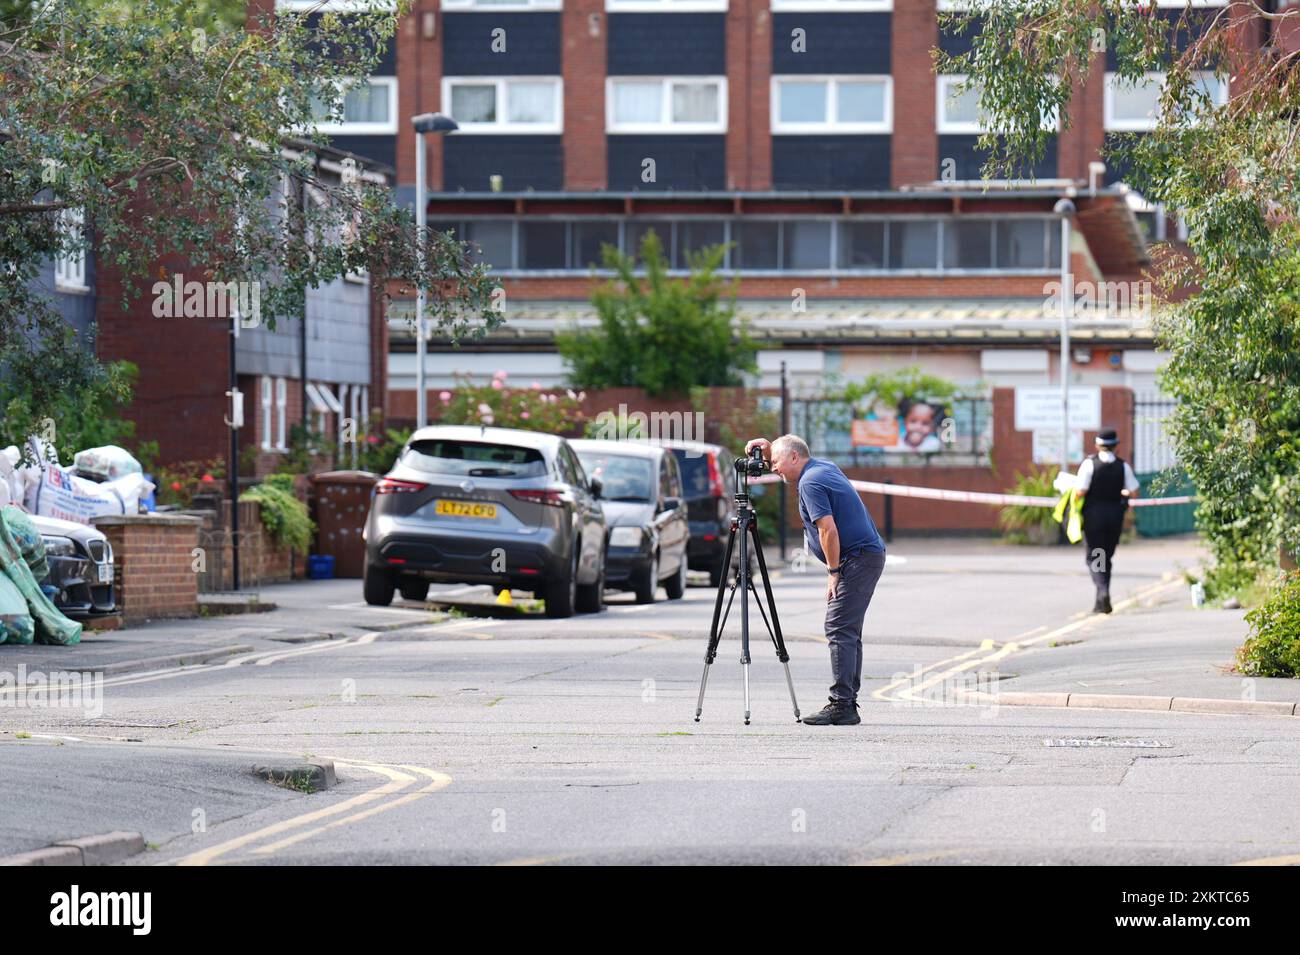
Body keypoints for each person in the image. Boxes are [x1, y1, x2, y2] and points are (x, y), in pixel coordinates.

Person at [745, 434, 886, 726]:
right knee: (847, 629)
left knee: (838, 626)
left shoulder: (810, 482)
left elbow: (828, 531)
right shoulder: (822, 467)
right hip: (864, 556)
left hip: (857, 559)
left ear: (794, 458)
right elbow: (791, 451)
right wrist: (772, 448)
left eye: (775, 462)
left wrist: (833, 573)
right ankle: (846, 702)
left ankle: (842, 705)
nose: (773, 468)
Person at [1074, 428, 1140, 614]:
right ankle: (1101, 601)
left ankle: (1102, 592)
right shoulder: (1123, 466)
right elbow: (1134, 491)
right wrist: (1121, 492)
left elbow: (1080, 491)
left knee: (1096, 556)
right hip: (1115, 517)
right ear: (1116, 446)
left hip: (1094, 518)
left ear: (1097, 445)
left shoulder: (1089, 465)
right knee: (1106, 556)